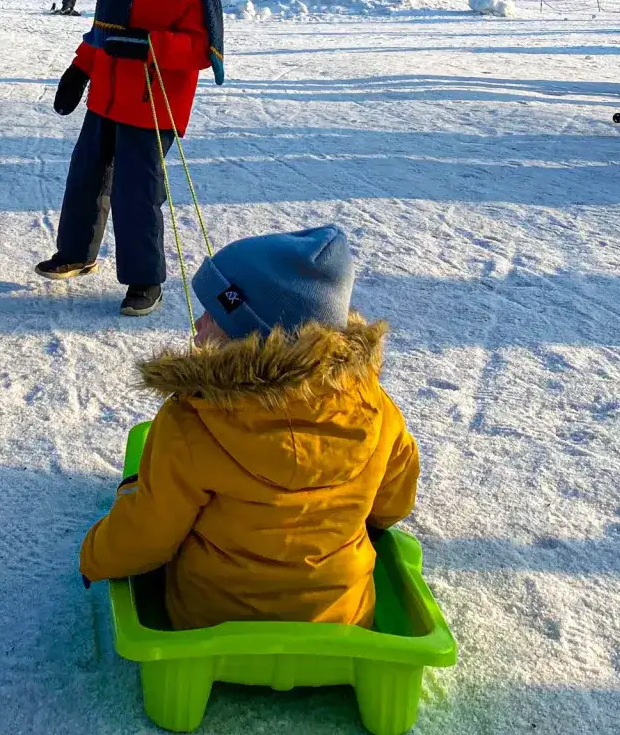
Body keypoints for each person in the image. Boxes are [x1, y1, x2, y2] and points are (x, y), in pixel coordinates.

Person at [78, 225, 419, 629]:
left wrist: (95, 555)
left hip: (208, 618)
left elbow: (149, 534)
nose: (199, 324)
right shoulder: (373, 407)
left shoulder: (193, 420)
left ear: (249, 336)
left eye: (215, 314)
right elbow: (393, 504)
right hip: (341, 618)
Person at [35, 0, 225, 315]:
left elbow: (201, 48)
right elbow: (103, 34)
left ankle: (145, 279)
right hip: (105, 99)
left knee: (136, 192)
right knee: (85, 178)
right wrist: (79, 67)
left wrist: (149, 45)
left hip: (153, 107)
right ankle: (76, 252)